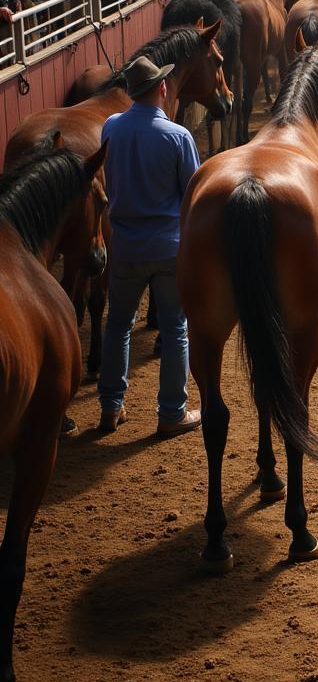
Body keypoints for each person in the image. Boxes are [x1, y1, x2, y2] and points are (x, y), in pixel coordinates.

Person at [98, 56, 203, 436]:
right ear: (161, 88)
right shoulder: (178, 137)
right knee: (176, 328)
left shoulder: (110, 127)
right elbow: (191, 194)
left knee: (118, 327)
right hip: (168, 247)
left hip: (125, 245)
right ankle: (172, 412)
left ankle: (111, 407)